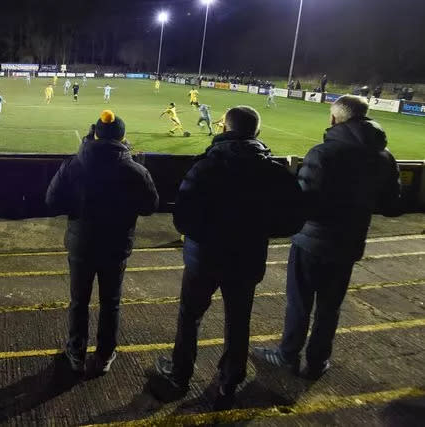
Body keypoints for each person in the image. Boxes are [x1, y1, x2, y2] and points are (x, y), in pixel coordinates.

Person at [149, 106, 305, 410]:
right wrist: (260, 231)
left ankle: (179, 375)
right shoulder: (273, 171)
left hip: (203, 259)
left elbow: (182, 217)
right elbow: (294, 219)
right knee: (238, 320)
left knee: (190, 316)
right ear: (257, 133)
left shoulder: (205, 167)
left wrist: (205, 236)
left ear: (224, 129)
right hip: (246, 260)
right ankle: (230, 380)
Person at [253, 96, 401, 380]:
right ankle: (318, 362)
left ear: (335, 119)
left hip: (312, 241)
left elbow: (301, 202)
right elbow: (392, 206)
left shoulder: (322, 153)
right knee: (330, 307)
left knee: (300, 301)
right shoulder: (384, 156)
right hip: (349, 243)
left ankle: (287, 355)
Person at [46, 110, 159, 375]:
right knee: (111, 302)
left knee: (78, 301)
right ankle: (105, 354)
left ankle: (76, 353)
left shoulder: (74, 165)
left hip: (81, 244)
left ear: (94, 134)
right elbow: (150, 207)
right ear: (122, 137)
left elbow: (51, 202)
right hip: (116, 246)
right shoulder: (135, 169)